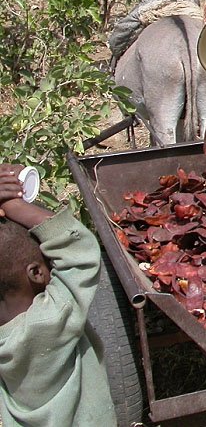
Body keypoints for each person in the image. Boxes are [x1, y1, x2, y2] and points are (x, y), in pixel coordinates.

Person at [0, 164, 115, 426]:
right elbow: (78, 251)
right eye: (47, 260)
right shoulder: (51, 321)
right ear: (36, 273)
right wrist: (18, 206)